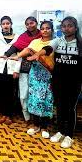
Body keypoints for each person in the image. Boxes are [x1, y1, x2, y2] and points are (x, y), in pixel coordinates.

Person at [28, 16, 82, 148]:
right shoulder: (58, 41)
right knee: (60, 107)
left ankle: (69, 136)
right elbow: (48, 48)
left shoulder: (80, 44)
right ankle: (60, 131)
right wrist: (38, 54)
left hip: (74, 82)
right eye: (64, 26)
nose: (66, 28)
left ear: (75, 27)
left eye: (69, 25)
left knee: (70, 109)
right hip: (58, 81)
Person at [10, 21, 54, 138]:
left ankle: (45, 127)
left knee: (46, 100)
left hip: (48, 75)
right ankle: (36, 125)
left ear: (52, 30)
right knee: (34, 99)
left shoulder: (55, 42)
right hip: (34, 74)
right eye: (43, 28)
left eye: (48, 28)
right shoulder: (35, 41)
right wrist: (17, 57)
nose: (45, 30)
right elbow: (28, 50)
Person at [2, 16, 41, 125]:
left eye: (32, 23)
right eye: (27, 24)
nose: (30, 25)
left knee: (37, 94)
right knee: (23, 95)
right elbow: (15, 47)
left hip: (39, 70)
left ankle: (37, 119)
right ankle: (27, 117)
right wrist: (6, 55)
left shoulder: (42, 36)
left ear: (36, 23)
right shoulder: (23, 37)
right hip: (24, 69)